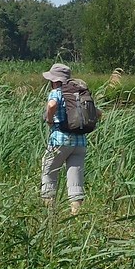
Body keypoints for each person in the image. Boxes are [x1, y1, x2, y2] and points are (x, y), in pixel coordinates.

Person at [40, 63, 99, 215]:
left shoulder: (56, 92)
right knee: (75, 180)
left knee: (49, 173)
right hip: (80, 142)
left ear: (54, 80)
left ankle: (49, 214)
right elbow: (98, 113)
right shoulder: (79, 93)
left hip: (60, 140)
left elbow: (52, 105)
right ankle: (75, 215)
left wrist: (49, 119)